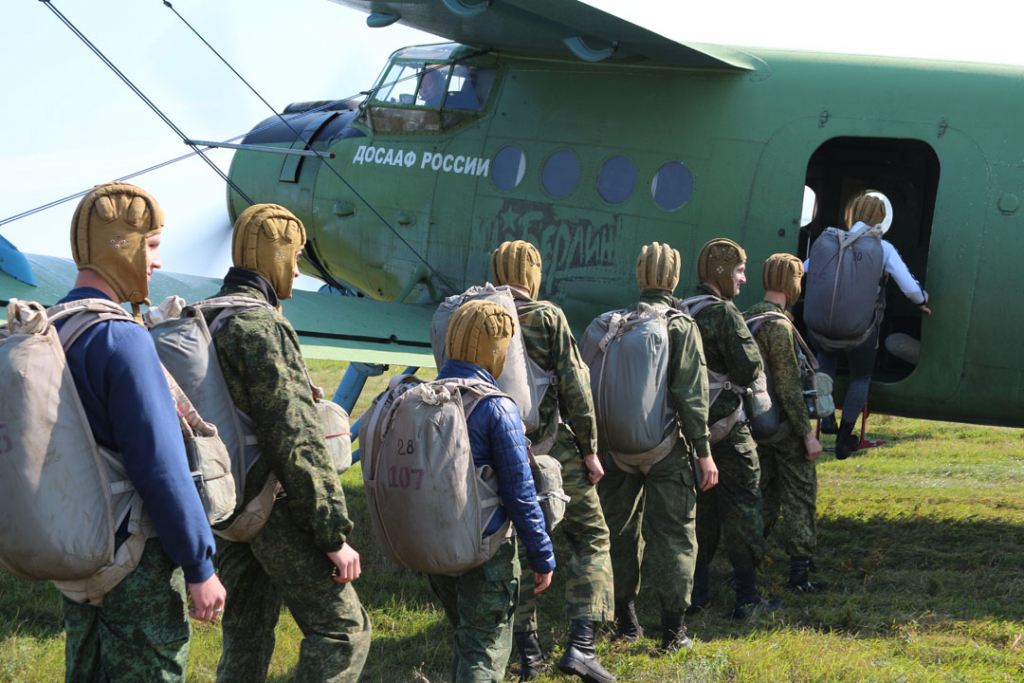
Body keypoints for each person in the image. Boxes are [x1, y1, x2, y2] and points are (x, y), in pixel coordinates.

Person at [57, 182, 226, 681]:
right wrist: (200, 565)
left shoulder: (54, 327)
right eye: (150, 244)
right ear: (120, 243)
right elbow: (161, 466)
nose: (155, 261)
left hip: (75, 548)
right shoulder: (121, 337)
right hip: (131, 560)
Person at [210, 204, 370, 683]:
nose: (298, 270)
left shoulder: (211, 317)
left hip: (226, 505)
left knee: (245, 632)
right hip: (271, 505)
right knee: (344, 632)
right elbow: (296, 438)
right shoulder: (262, 326)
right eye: (294, 257)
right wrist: (331, 534)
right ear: (273, 255)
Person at [490, 240, 616, 683]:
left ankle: (528, 655)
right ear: (533, 274)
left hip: (497, 453)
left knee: (516, 548)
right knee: (592, 535)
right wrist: (590, 448)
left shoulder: (477, 316)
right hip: (552, 452)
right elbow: (575, 391)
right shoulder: (546, 316)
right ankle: (581, 645)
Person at [597, 242, 719, 651]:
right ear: (673, 278)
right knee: (674, 534)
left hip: (614, 448)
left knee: (618, 532)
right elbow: (692, 395)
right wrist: (703, 453)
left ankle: (626, 622)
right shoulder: (679, 325)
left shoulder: (615, 323)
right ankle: (673, 632)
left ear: (640, 275)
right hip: (666, 448)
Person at [430, 299, 556, 683]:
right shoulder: (498, 408)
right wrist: (542, 555)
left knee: (466, 637)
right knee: (485, 645)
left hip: (435, 545)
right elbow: (520, 494)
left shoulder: (424, 396)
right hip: (487, 548)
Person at [685, 238, 781, 619]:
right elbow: (749, 367)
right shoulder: (724, 313)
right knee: (744, 508)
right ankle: (747, 597)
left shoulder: (683, 308)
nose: (743, 279)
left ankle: (698, 593)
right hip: (729, 430)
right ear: (722, 271)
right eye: (739, 271)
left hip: (694, 431)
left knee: (703, 511)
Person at [804, 194, 932, 459]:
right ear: (880, 220)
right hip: (859, 333)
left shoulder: (828, 242)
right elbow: (909, 288)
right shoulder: (883, 249)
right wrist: (922, 301)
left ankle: (826, 419)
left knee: (825, 356)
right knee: (861, 377)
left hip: (820, 331)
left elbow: (802, 269)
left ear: (854, 215)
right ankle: (843, 439)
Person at [743, 254, 825, 593]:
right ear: (794, 284)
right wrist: (808, 436)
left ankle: (745, 564)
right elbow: (790, 387)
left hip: (752, 425)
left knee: (763, 494)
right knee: (800, 494)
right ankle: (799, 574)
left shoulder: (746, 317)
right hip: (784, 428)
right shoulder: (778, 326)